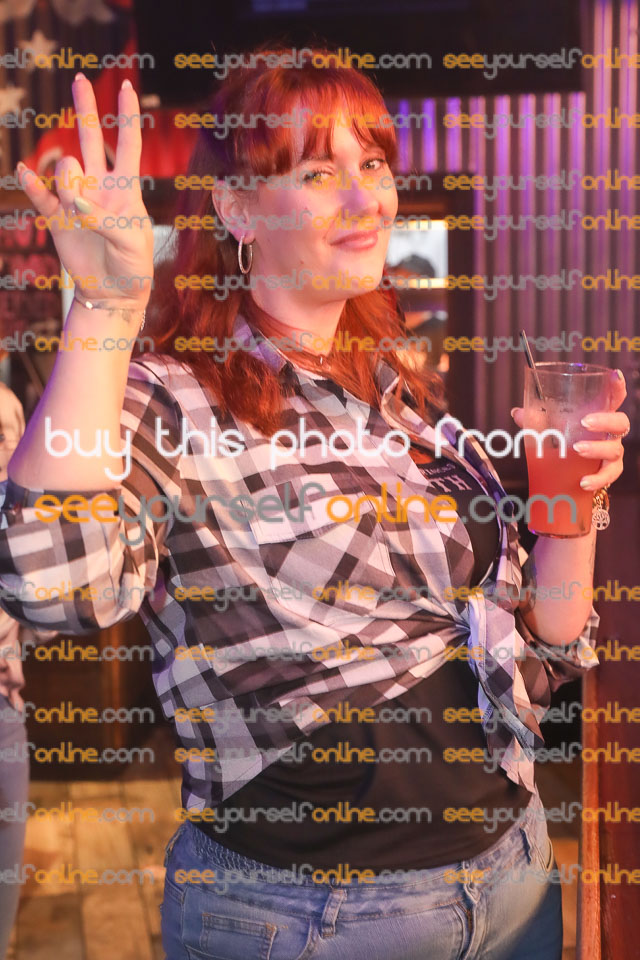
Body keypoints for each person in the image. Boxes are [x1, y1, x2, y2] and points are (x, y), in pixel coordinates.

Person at [1, 49, 630, 960]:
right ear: (237, 209)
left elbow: (542, 659)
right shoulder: (174, 397)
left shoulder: (407, 407)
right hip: (313, 920)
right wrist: (103, 309)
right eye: (318, 171)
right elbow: (50, 582)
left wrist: (575, 508)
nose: (365, 196)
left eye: (372, 163)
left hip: (514, 884)